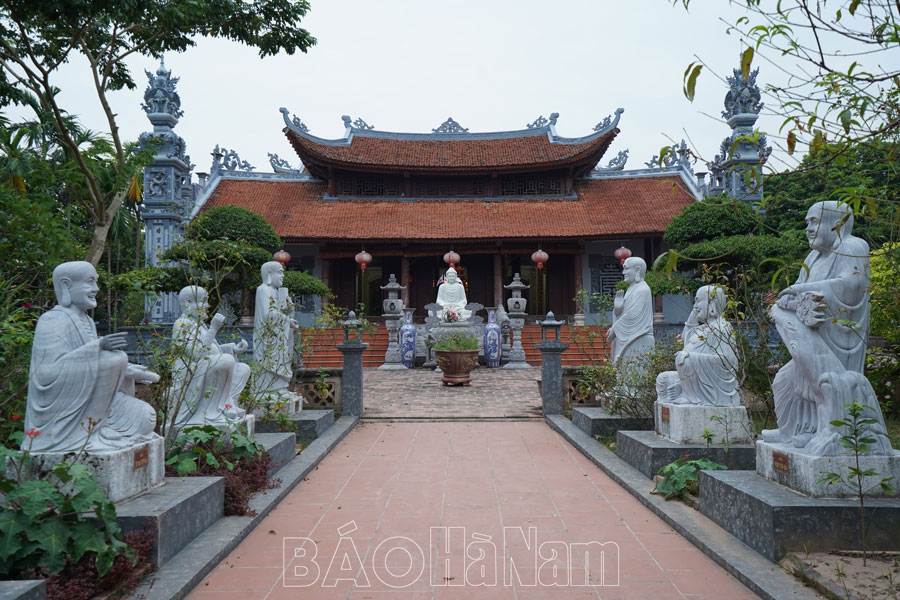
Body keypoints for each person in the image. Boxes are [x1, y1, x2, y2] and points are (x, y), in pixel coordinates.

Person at [761, 201, 892, 454]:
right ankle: (794, 430)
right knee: (784, 382)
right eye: (807, 223)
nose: (808, 228)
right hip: (811, 334)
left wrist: (798, 292)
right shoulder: (813, 256)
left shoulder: (853, 246)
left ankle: (827, 430)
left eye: (814, 221)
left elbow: (852, 287)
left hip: (838, 340)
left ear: (836, 223)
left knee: (827, 382)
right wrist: (790, 300)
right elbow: (794, 292)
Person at [25, 261, 159, 452]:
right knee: (114, 358)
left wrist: (128, 371)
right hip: (64, 411)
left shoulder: (87, 320)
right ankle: (91, 432)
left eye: (96, 282)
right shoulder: (52, 320)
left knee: (146, 416)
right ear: (66, 285)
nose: (95, 289)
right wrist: (100, 347)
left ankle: (104, 428)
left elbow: (94, 367)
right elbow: (46, 374)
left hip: (93, 401)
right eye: (89, 282)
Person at [170, 286, 249, 429]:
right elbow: (197, 354)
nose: (207, 306)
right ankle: (207, 412)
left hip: (207, 368)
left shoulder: (199, 325)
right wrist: (213, 328)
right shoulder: (181, 324)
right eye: (203, 301)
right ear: (188, 303)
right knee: (225, 361)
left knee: (243, 369)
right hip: (192, 372)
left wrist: (231, 348)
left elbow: (213, 350)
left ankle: (227, 405)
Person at [656, 285, 739, 406]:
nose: (695, 306)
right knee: (663, 378)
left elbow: (728, 361)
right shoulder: (700, 328)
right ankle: (686, 391)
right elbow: (686, 337)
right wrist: (695, 312)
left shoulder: (722, 327)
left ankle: (689, 395)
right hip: (693, 377)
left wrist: (691, 358)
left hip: (712, 383)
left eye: (698, 301)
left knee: (685, 360)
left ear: (712, 304)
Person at [252, 261, 301, 407]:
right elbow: (268, 315)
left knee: (282, 359)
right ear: (269, 274)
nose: (282, 276)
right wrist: (287, 320)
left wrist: (289, 309)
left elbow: (280, 314)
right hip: (268, 337)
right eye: (279, 272)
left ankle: (279, 388)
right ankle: (266, 390)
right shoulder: (263, 290)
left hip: (278, 336)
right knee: (268, 363)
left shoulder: (277, 292)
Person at [607, 257, 654, 365]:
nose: (623, 272)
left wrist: (615, 329)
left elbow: (633, 315)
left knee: (635, 374)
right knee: (624, 375)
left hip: (638, 338)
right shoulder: (631, 289)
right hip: (627, 337)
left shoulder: (643, 289)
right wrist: (617, 309)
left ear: (637, 270)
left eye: (626, 269)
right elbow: (625, 313)